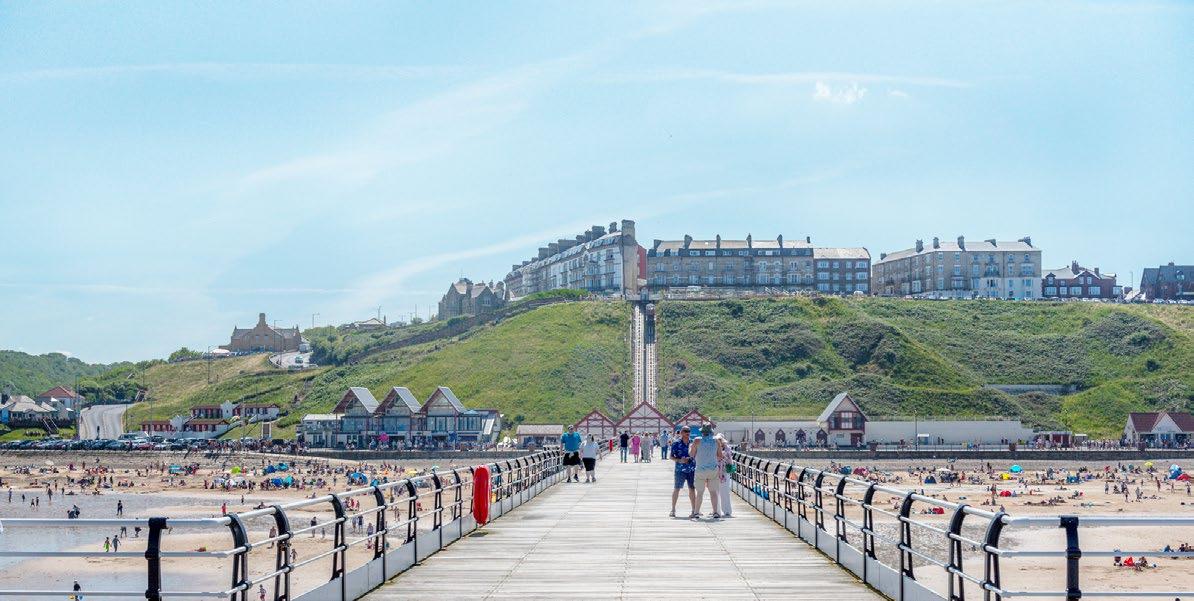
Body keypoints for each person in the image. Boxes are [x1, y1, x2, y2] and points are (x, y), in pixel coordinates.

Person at [691, 424, 723, 519]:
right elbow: (720, 456)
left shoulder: (697, 440)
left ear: (702, 432)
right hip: (713, 469)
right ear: (711, 432)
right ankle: (715, 512)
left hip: (700, 469)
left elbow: (692, 454)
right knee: (713, 492)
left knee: (700, 492)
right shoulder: (716, 441)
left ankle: (696, 512)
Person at [670, 426, 697, 518]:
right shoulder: (676, 443)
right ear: (681, 432)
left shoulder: (693, 442)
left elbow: (697, 454)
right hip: (680, 470)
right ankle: (673, 509)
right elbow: (671, 456)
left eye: (689, 431)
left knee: (692, 489)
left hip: (692, 469)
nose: (687, 433)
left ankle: (694, 510)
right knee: (677, 488)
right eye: (685, 431)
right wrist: (680, 460)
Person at [715, 433, 733, 517]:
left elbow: (728, 459)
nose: (719, 441)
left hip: (725, 471)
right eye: (717, 440)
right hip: (716, 471)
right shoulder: (714, 448)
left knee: (725, 491)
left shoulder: (727, 448)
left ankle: (727, 510)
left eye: (720, 440)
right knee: (715, 492)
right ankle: (717, 510)